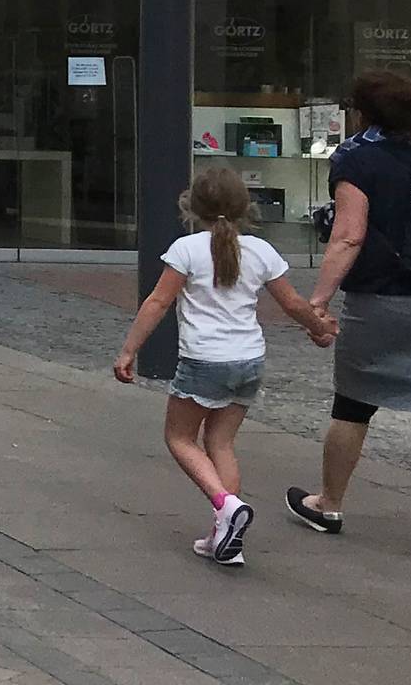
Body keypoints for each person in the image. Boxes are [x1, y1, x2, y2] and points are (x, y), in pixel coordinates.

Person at [112, 167, 333, 567]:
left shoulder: (186, 249)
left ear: (192, 206)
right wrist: (319, 329)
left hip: (204, 360)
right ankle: (226, 537)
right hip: (248, 360)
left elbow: (158, 302)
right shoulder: (261, 251)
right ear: (245, 207)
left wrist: (129, 351)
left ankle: (226, 506)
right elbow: (292, 303)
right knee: (221, 443)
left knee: (180, 438)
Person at [288, 71, 411, 545]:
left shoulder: (356, 160)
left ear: (362, 113)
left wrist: (318, 299)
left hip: (379, 301)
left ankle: (328, 503)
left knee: (353, 404)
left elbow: (349, 236)